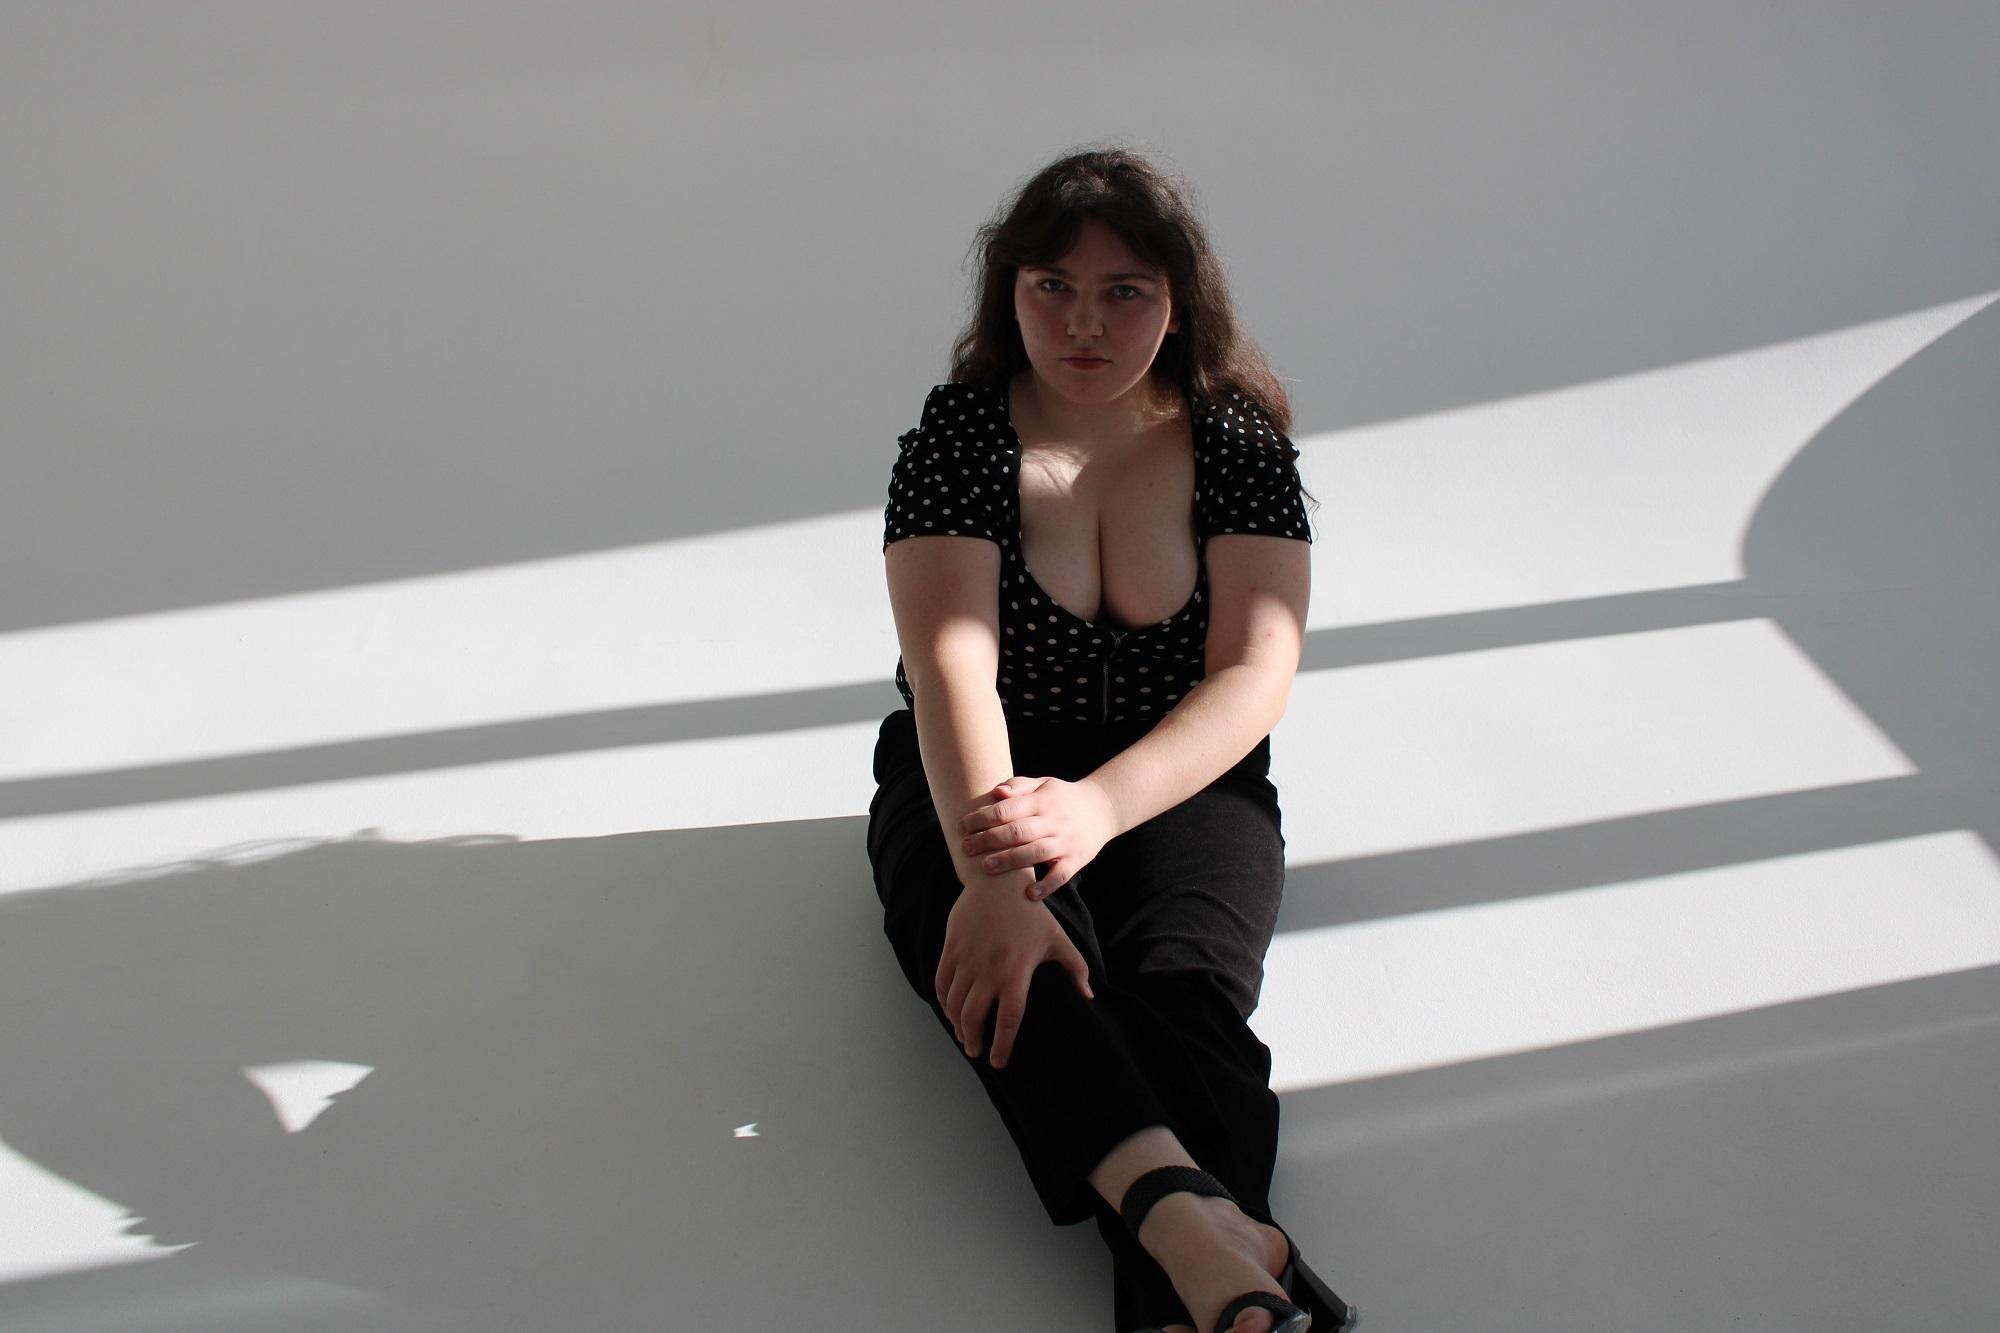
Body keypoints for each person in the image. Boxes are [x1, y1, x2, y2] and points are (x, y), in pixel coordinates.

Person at [865, 146, 1359, 1333]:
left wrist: (1097, 807)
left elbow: (1253, 676)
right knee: (1019, 970)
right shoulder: (959, 436)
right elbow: (951, 669)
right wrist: (992, 880)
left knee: (1188, 998)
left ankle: (1185, 1260)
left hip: (1186, 774)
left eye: (1123, 291)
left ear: (1177, 301)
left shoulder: (1235, 440)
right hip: (978, 770)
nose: (1082, 324)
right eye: (1052, 287)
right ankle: (1208, 1236)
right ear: (1010, 291)